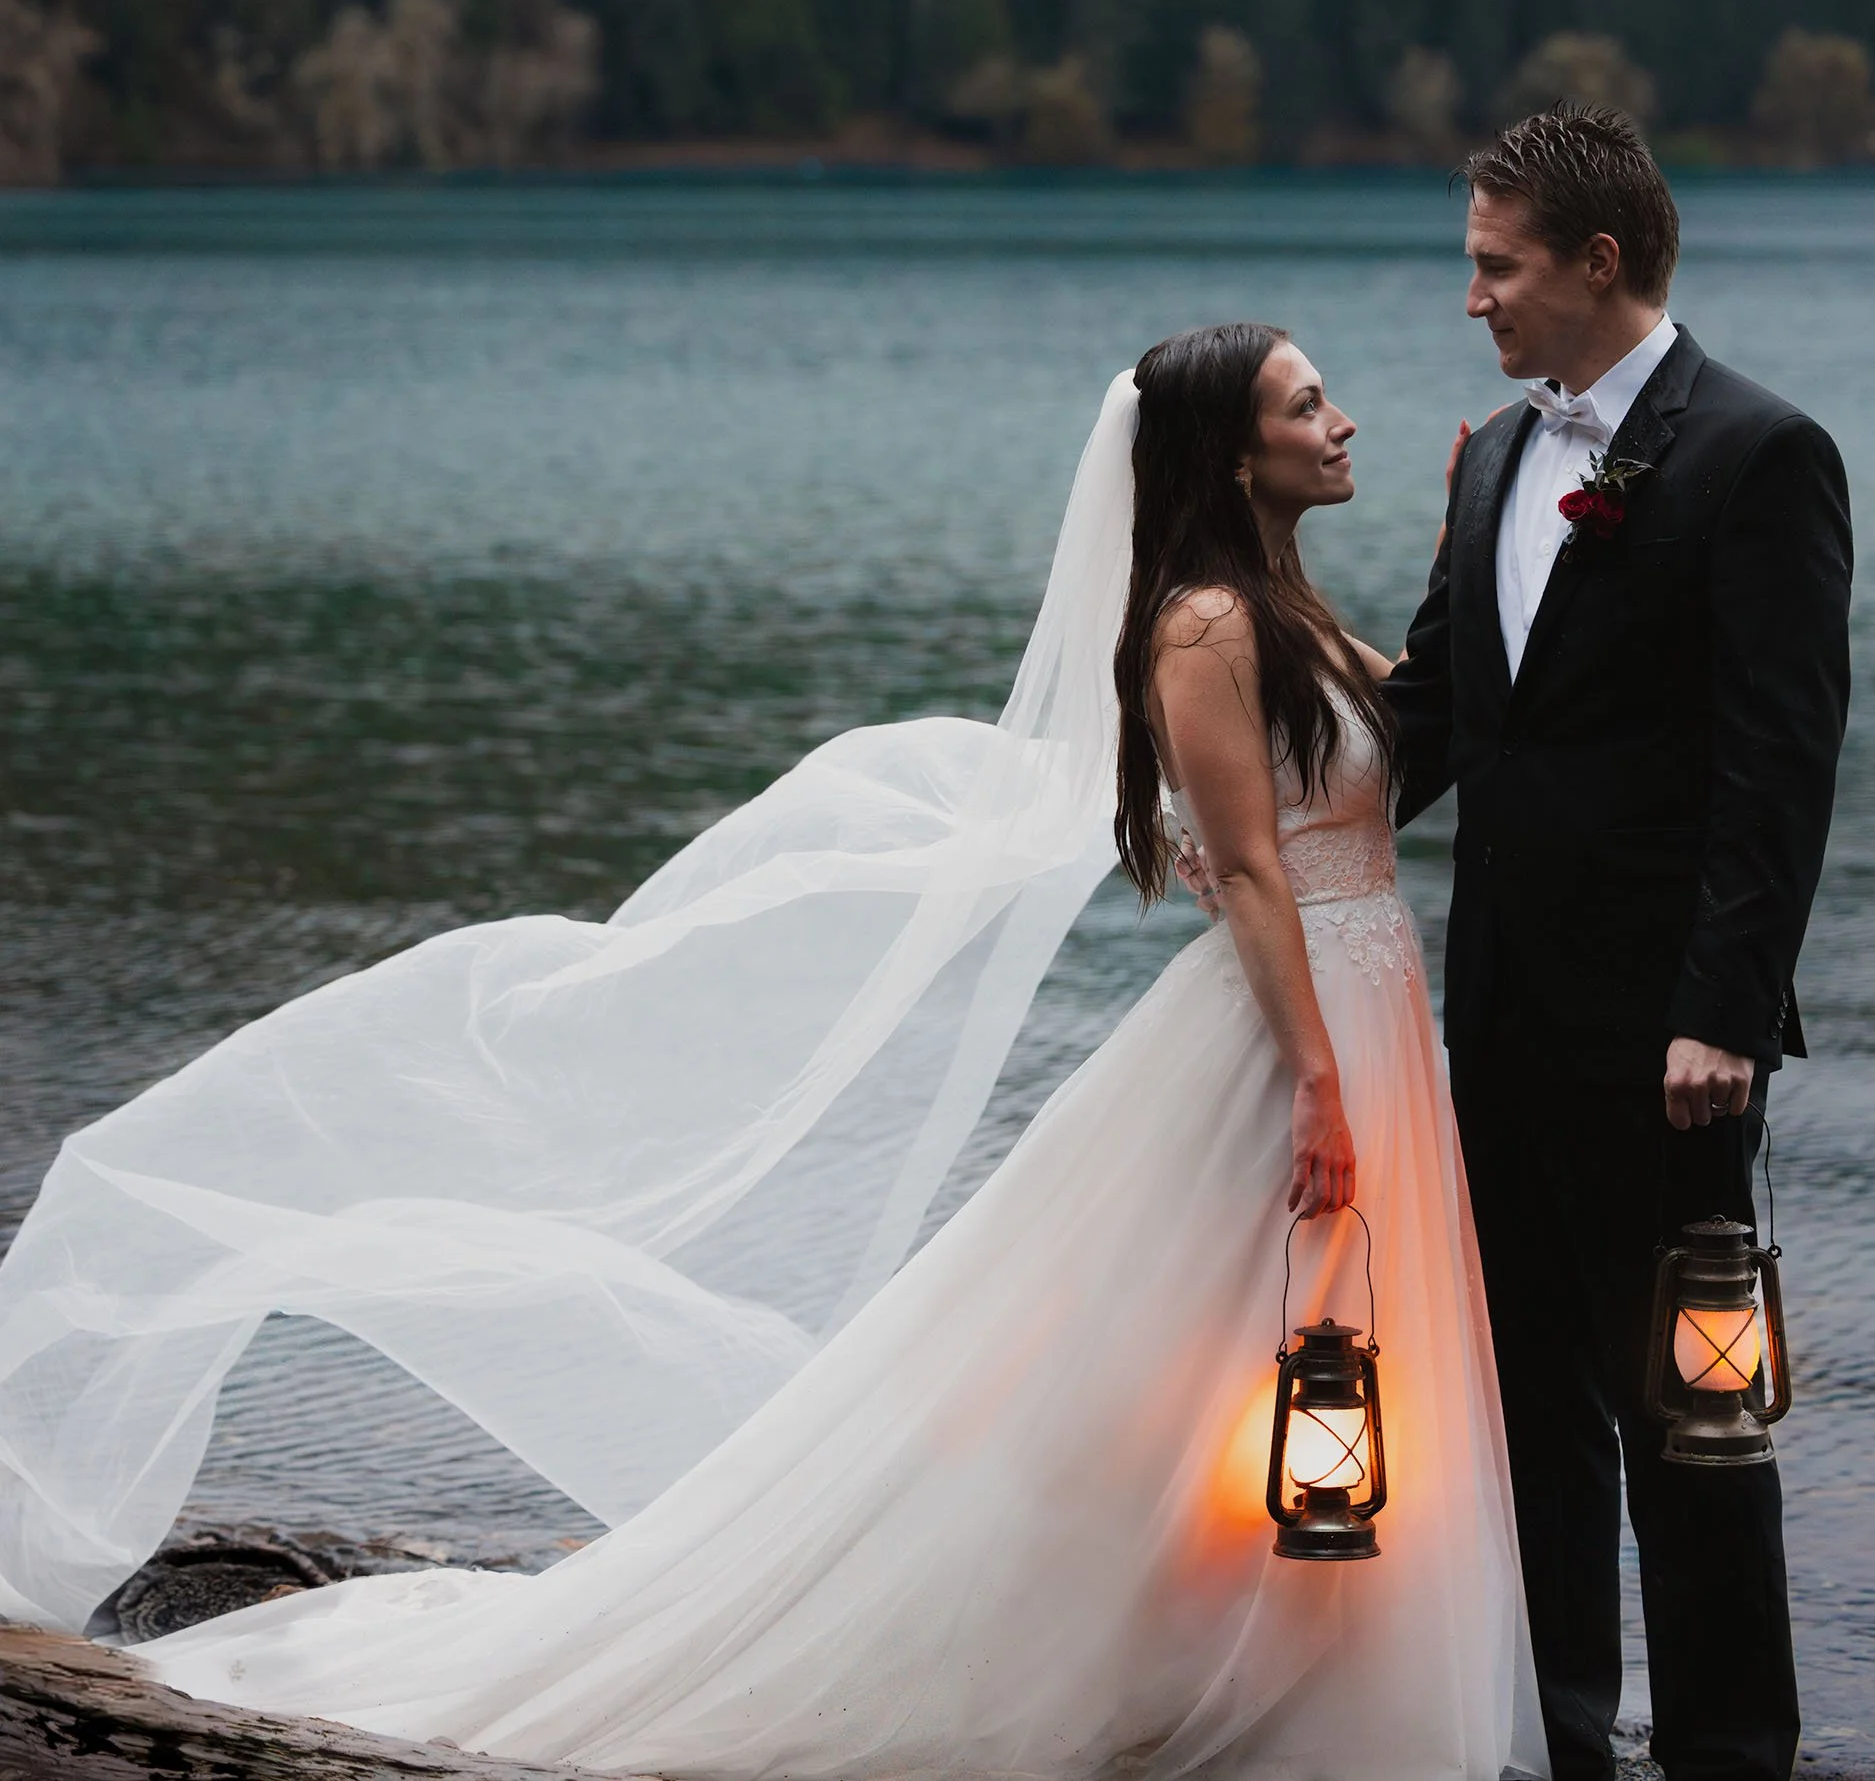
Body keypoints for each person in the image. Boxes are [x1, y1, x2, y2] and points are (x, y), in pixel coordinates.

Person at [0, 327, 1544, 1778]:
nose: (1338, 422)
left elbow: (1369, 776)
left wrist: (1454, 570)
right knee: (1182, 1365)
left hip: (1361, 1003)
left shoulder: (1280, 615)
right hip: (1284, 1033)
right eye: (1303, 405)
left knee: (1272, 1356)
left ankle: (1255, 1655)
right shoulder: (1202, 627)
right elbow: (1255, 869)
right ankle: (1108, 1653)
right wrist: (1318, 1080)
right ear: (1227, 456)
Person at [1387, 102, 1852, 1781]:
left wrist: (1720, 1010)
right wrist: (1265, 818)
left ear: (1596, 262)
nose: (1472, 301)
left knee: (1691, 1406)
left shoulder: (1759, 453)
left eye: (1494, 269)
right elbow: (1436, 714)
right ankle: (1558, 1723)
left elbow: (1775, 762)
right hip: (1497, 1019)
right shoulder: (1499, 458)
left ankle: (1730, 1743)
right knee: (1522, 1407)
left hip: (1670, 1041)